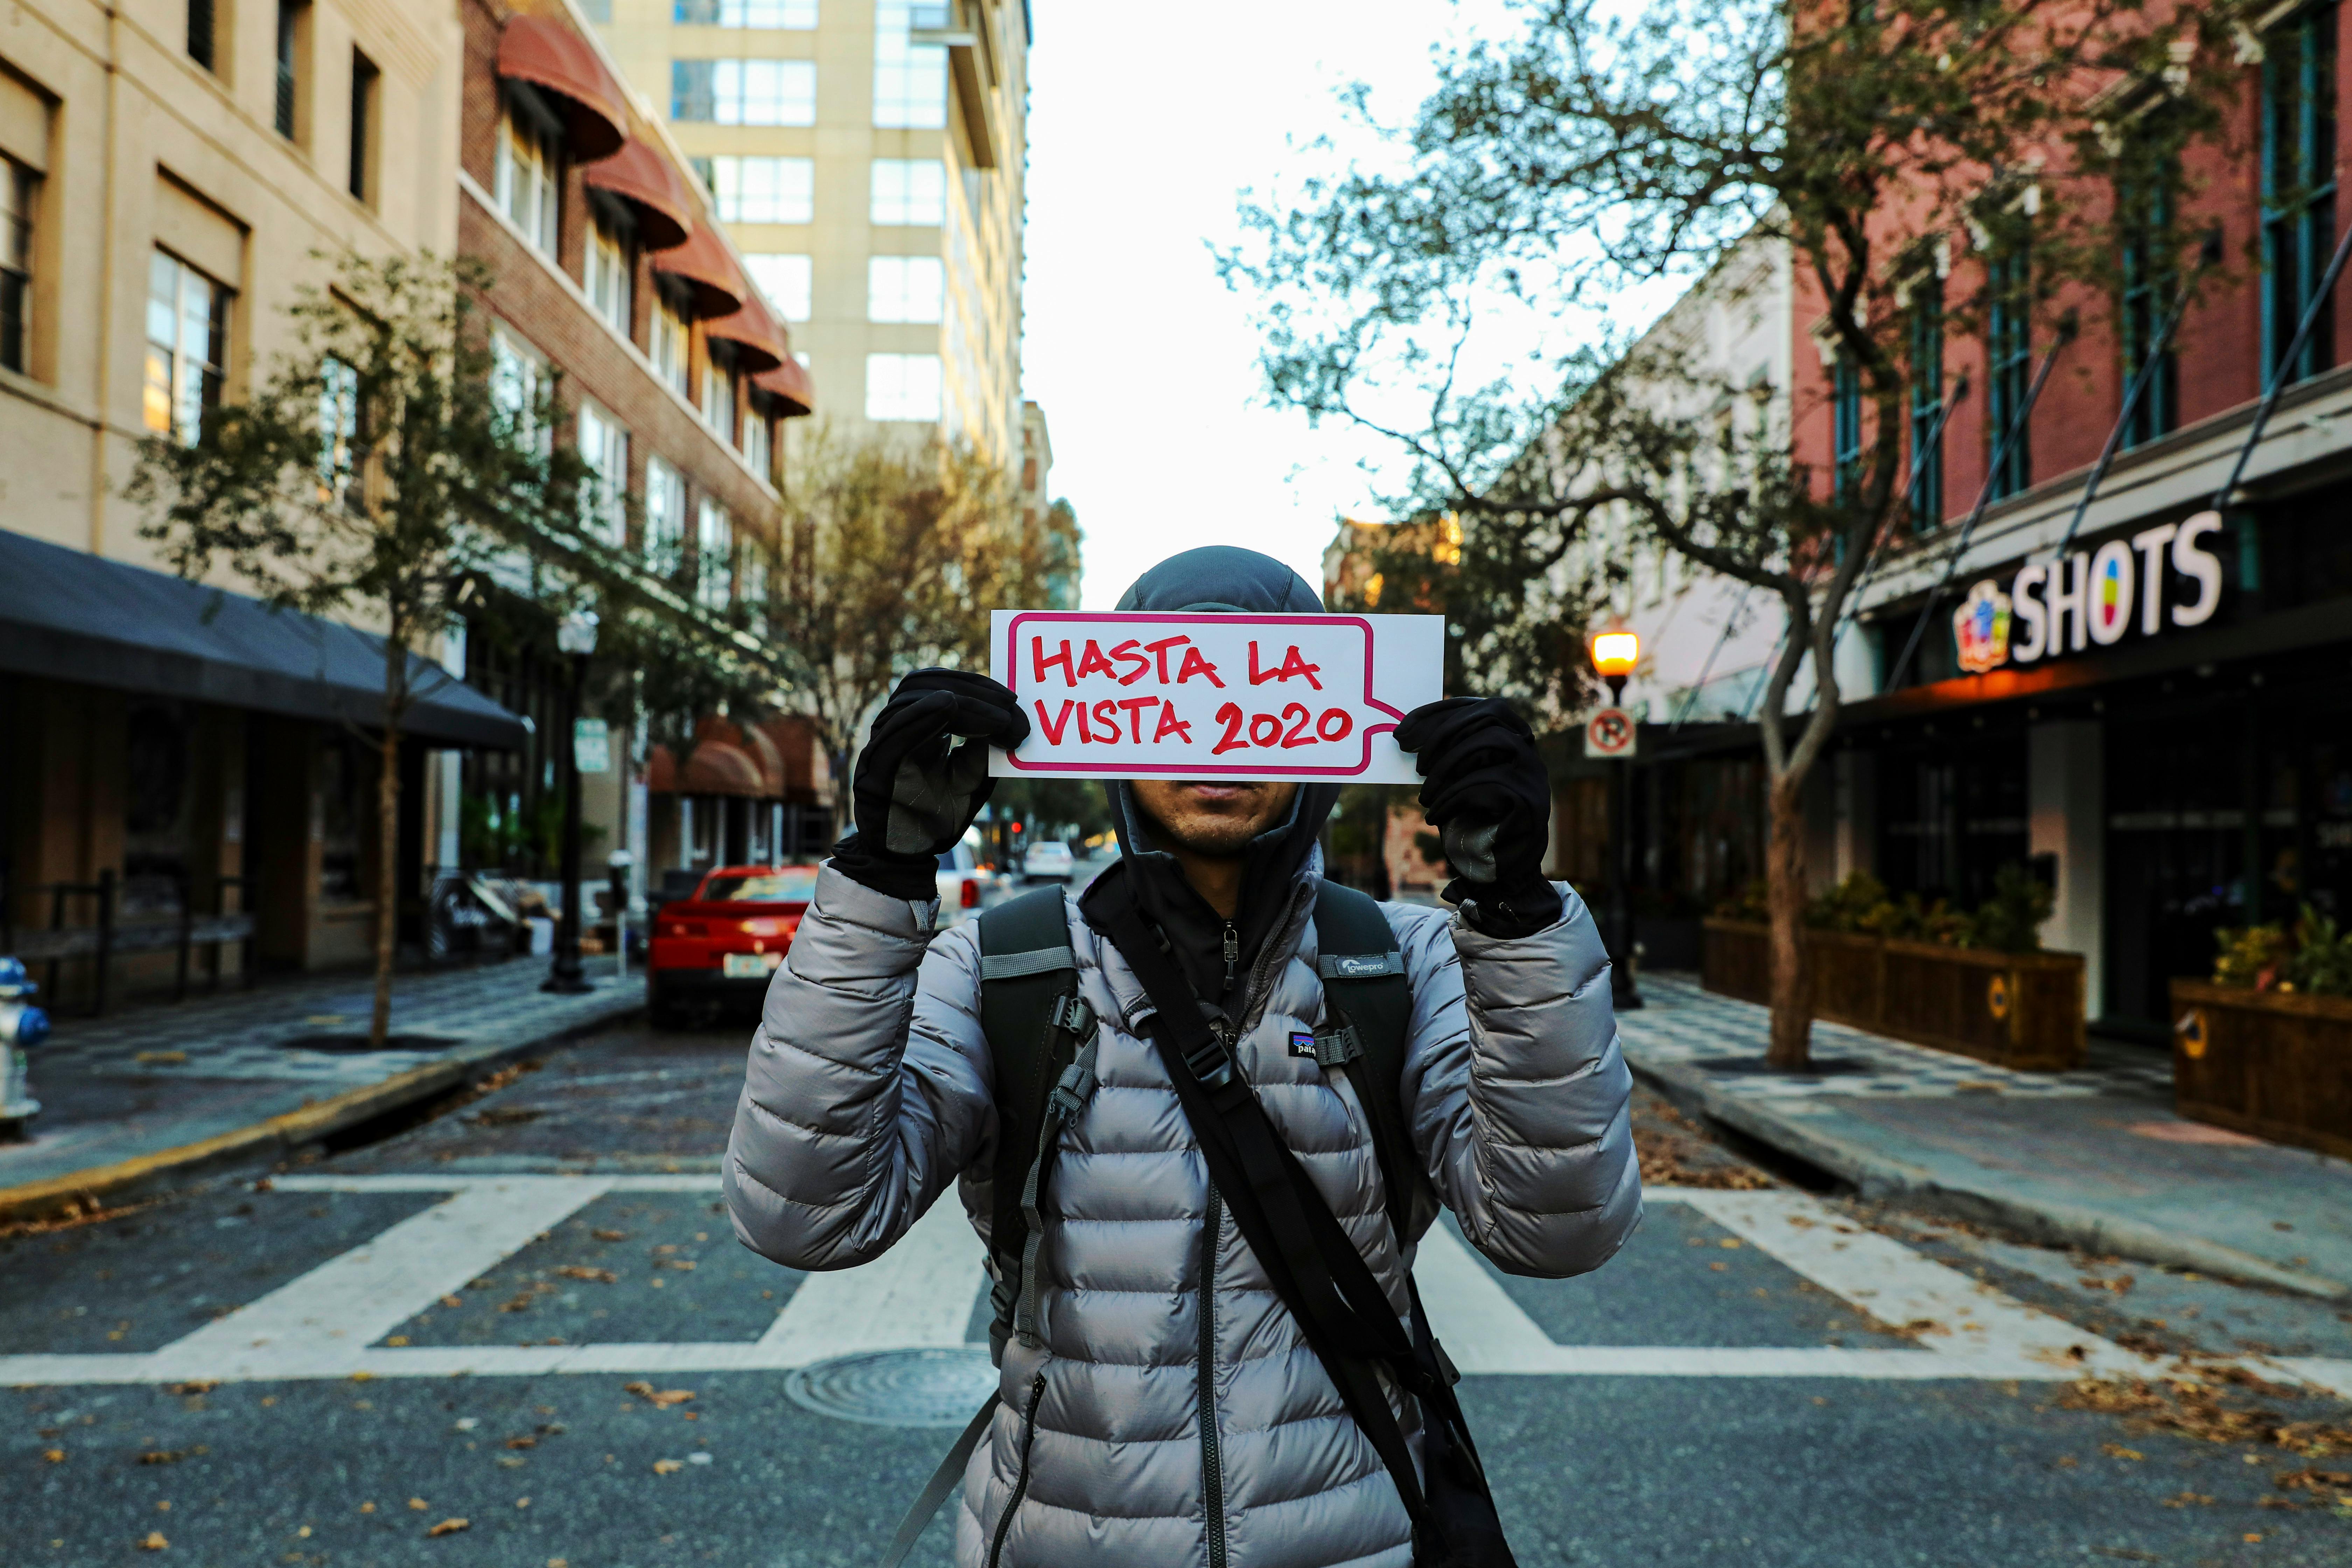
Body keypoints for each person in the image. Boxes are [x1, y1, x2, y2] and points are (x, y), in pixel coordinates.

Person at [726, 547, 1640, 1567]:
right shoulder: (1003, 966)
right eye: (1176, 694)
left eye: (1268, 689)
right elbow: (803, 1213)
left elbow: (1559, 1230)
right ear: (1113, 723)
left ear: (1330, 729)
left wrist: (1517, 921)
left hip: (1356, 1539)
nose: (1220, 731)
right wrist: (878, 881)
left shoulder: (1404, 961)